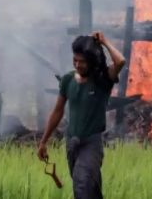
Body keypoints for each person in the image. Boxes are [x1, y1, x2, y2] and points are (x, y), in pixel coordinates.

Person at [37, 32, 126, 199]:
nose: (77, 65)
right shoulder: (67, 80)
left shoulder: (103, 79)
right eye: (75, 60)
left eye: (82, 61)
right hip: (72, 143)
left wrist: (105, 42)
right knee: (90, 190)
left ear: (92, 62)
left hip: (91, 144)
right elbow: (58, 111)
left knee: (82, 184)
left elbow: (120, 61)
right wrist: (43, 142)